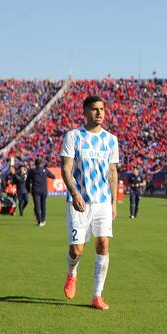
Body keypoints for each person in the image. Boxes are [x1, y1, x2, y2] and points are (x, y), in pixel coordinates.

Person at [60, 95, 119, 310]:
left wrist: (113, 203)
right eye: (94, 109)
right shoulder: (74, 137)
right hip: (79, 201)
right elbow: (66, 168)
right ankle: (71, 272)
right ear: (85, 111)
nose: (100, 113)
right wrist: (75, 193)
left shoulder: (111, 139)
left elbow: (113, 172)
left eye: (102, 109)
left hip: (102, 202)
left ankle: (97, 295)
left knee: (103, 243)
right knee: (77, 250)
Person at [26, 159, 56, 226]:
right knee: (43, 206)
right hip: (44, 190)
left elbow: (27, 181)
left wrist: (28, 189)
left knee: (37, 206)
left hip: (35, 190)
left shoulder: (32, 171)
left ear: (35, 163)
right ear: (41, 163)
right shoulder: (45, 170)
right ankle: (43, 220)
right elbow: (53, 176)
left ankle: (39, 221)